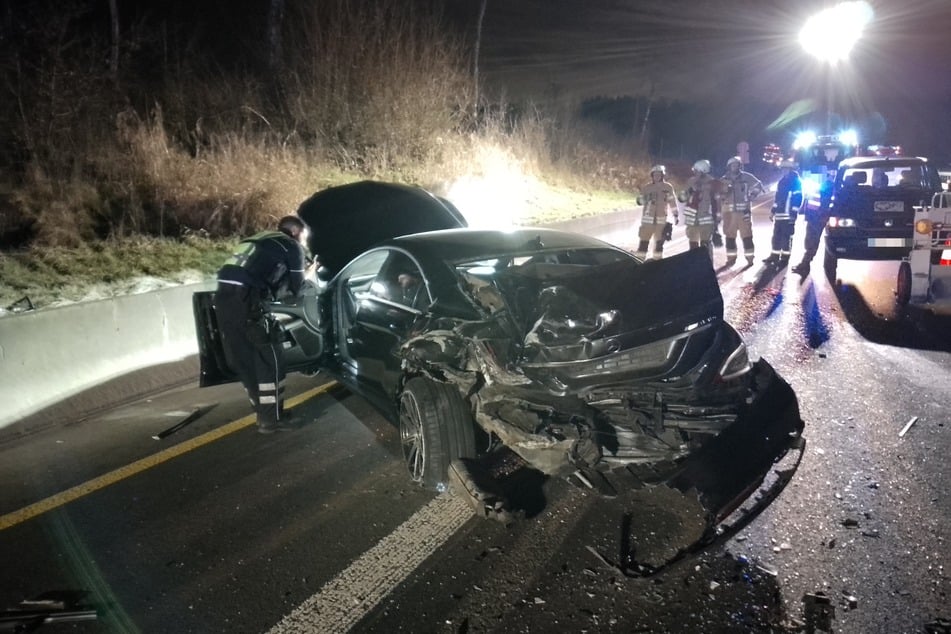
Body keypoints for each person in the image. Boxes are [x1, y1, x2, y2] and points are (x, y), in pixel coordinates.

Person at [215, 215, 310, 433]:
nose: (303, 241)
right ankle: (271, 420)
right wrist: (308, 272)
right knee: (271, 355)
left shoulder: (258, 239)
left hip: (222, 298)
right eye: (303, 237)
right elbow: (298, 287)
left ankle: (263, 414)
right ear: (296, 232)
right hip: (247, 298)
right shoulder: (291, 246)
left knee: (246, 357)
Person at [719, 156, 764, 266]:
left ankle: (750, 259)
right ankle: (731, 258)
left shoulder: (746, 177)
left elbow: (758, 185)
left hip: (744, 213)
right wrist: (724, 193)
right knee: (730, 237)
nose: (734, 166)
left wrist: (753, 194)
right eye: (732, 165)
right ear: (729, 167)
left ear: (740, 166)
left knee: (747, 236)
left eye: (736, 164)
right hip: (728, 215)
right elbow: (716, 195)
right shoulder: (723, 180)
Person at [792, 171, 834, 277]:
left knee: (811, 242)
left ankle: (805, 264)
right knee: (810, 241)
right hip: (814, 218)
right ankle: (805, 264)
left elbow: (823, 204)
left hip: (816, 219)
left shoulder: (826, 187)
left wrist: (820, 217)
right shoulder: (823, 186)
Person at [634, 164, 679, 260]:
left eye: (659, 174)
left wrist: (676, 215)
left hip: (661, 223)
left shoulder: (668, 187)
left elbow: (672, 202)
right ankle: (639, 263)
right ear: (652, 175)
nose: (657, 176)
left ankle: (657, 264)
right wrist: (646, 198)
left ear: (662, 175)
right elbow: (639, 202)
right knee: (643, 244)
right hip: (647, 222)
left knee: (659, 245)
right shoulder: (647, 188)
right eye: (655, 174)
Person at [764, 160, 803, 267]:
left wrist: (793, 214)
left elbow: (798, 199)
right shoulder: (782, 182)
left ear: (791, 170)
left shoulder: (795, 181)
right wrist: (773, 211)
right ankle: (774, 255)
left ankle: (785, 258)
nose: (784, 171)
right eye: (783, 169)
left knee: (786, 237)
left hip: (788, 215)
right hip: (780, 215)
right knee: (776, 237)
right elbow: (777, 199)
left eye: (786, 169)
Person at [681, 159, 720, 260]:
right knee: (693, 245)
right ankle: (695, 267)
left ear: (702, 170)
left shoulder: (712, 182)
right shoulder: (691, 181)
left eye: (696, 170)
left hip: (706, 219)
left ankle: (707, 266)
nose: (694, 172)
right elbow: (682, 198)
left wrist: (717, 218)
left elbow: (717, 201)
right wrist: (687, 192)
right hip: (692, 219)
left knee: (705, 245)